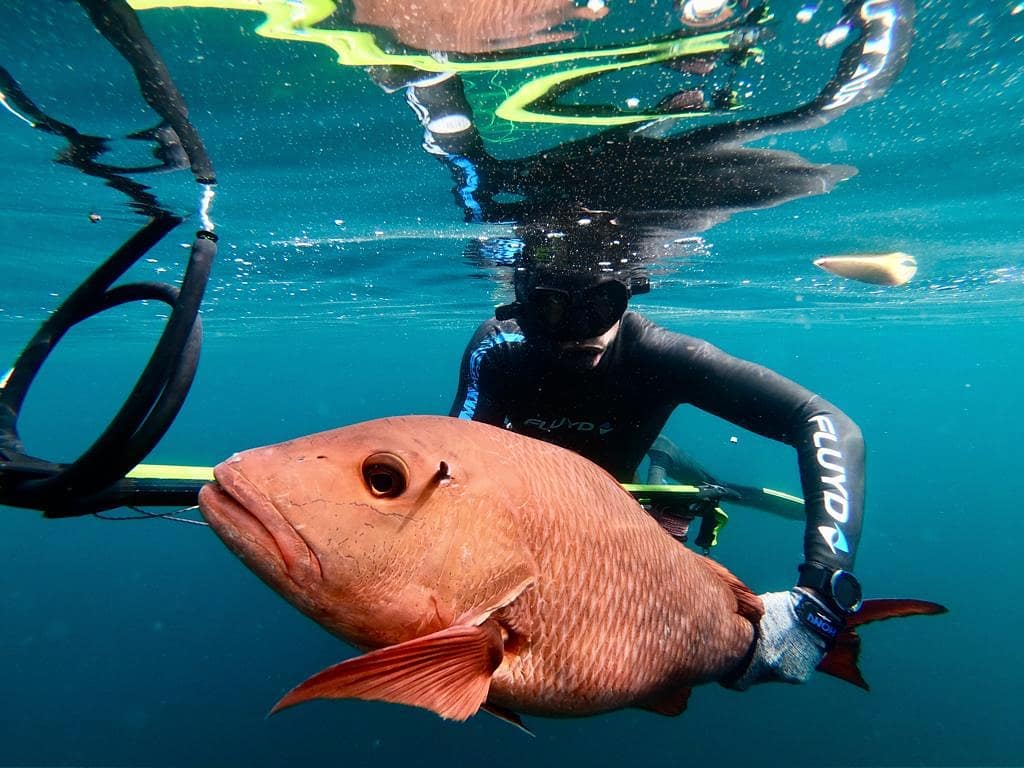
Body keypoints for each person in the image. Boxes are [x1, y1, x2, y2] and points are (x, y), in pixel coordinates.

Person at [448, 216, 867, 690]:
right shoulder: (500, 347)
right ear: (523, 307)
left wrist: (823, 588)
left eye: (602, 305)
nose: (583, 330)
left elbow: (827, 423)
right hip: (534, 505)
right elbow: (456, 463)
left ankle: (666, 469)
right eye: (552, 309)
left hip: (617, 497)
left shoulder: (657, 354)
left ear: (626, 298)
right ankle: (664, 462)